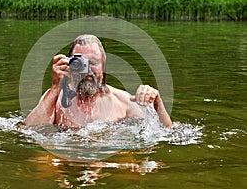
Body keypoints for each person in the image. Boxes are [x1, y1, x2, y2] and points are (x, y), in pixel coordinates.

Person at [24, 34, 172, 127]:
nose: (87, 69)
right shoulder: (56, 100)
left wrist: (157, 103)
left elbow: (166, 133)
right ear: (69, 64)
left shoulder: (124, 102)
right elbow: (29, 132)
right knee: (43, 163)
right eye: (80, 62)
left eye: (93, 62)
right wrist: (56, 86)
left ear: (104, 65)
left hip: (107, 164)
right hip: (66, 163)